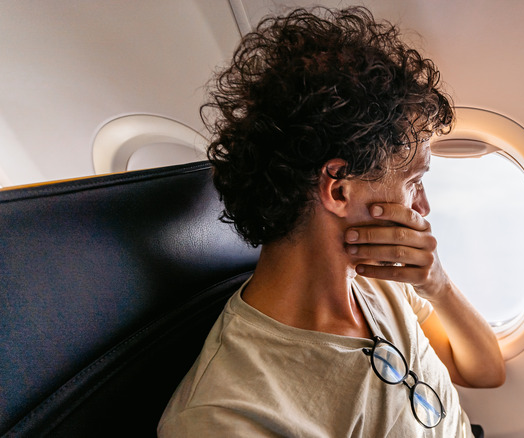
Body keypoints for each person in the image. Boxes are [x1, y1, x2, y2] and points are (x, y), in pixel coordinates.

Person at [158, 6, 504, 437]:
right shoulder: (229, 413)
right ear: (339, 189)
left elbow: (486, 372)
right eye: (414, 180)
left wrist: (437, 284)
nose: (424, 207)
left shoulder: (378, 282)